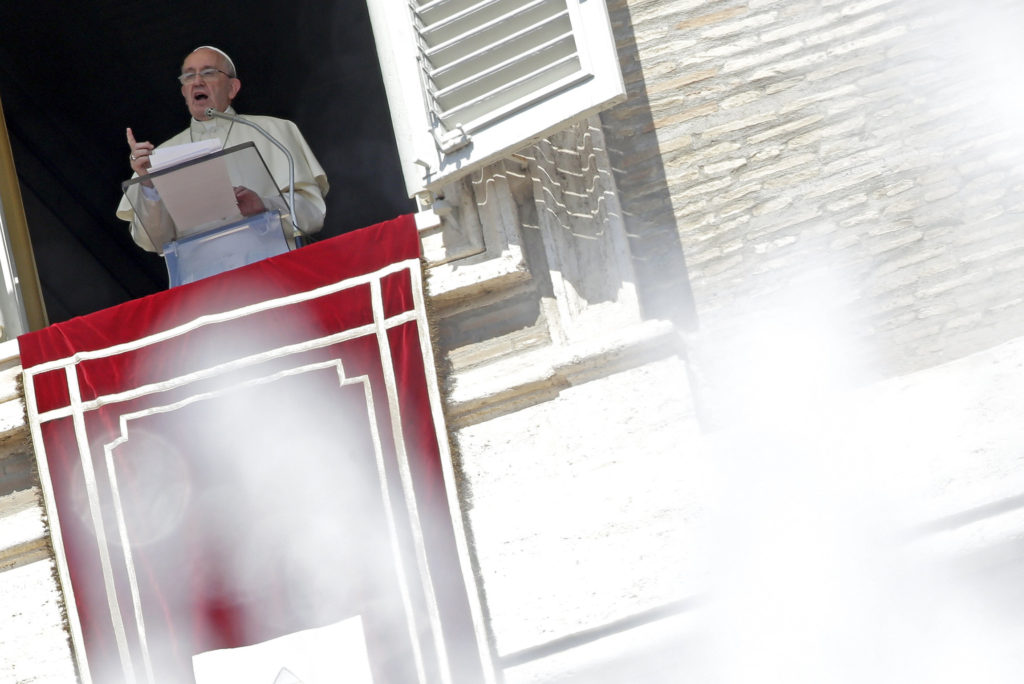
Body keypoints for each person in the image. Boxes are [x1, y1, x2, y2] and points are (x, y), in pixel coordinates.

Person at [116, 46, 329, 252]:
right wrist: (148, 183)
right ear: (183, 91)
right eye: (189, 76)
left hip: (272, 271)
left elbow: (312, 212)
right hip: (203, 279)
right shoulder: (161, 155)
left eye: (208, 73)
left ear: (232, 88)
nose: (197, 81)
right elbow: (153, 241)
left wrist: (263, 206)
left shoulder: (272, 130)